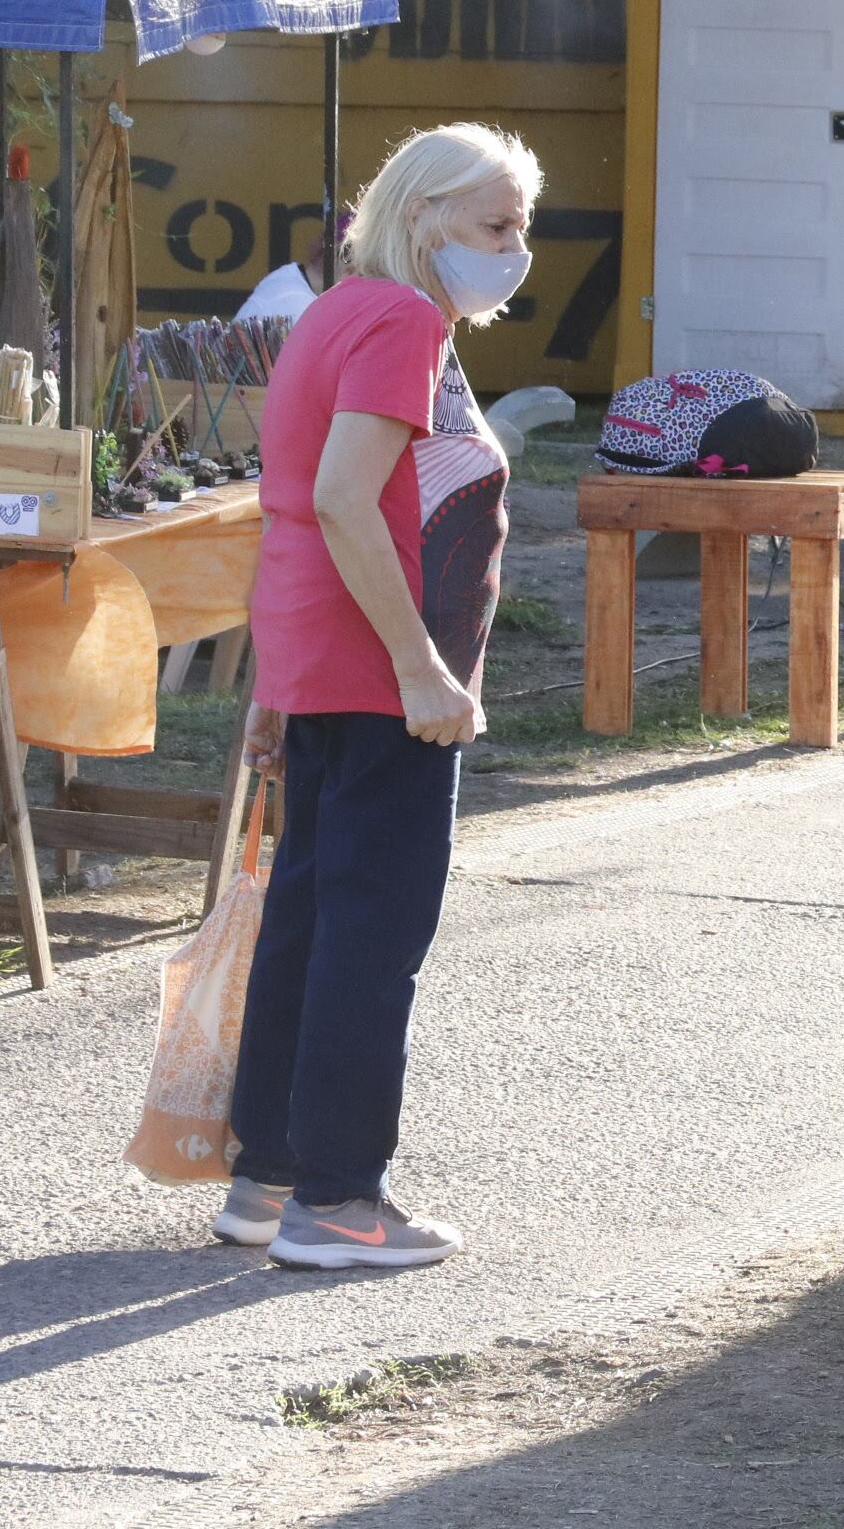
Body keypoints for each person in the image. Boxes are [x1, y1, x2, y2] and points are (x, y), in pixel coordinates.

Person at [218, 123, 539, 1270]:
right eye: (496, 227)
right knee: (373, 929)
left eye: (521, 227)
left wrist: (274, 675)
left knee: (312, 915)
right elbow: (347, 502)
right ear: (421, 220)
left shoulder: (340, 311)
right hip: (383, 671)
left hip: (326, 658)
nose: (516, 250)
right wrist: (421, 667)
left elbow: (297, 502)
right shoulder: (402, 322)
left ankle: (265, 1175)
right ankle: (341, 1198)